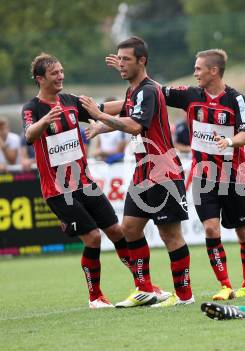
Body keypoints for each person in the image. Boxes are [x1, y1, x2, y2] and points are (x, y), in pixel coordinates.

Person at [21, 53, 155, 309]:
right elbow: (29, 134)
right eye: (54, 73)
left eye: (61, 71)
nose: (60, 76)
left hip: (85, 183)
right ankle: (95, 297)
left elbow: (101, 110)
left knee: (117, 231)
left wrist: (134, 100)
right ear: (40, 79)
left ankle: (143, 286)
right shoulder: (32, 108)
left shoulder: (70, 101)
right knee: (93, 238)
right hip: (59, 190)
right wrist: (43, 122)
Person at [81, 36, 194, 308]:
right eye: (118, 59)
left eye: (126, 59)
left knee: (170, 235)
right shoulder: (134, 91)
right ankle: (144, 289)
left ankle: (185, 295)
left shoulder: (148, 89)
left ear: (142, 61)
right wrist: (101, 126)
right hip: (143, 172)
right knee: (129, 229)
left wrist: (98, 114)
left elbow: (134, 125)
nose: (120, 64)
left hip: (162, 172)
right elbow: (128, 119)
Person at [157, 49, 245, 301]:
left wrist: (229, 141)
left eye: (199, 68)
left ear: (214, 71)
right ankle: (225, 285)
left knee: (243, 232)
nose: (195, 72)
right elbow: (155, 91)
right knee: (211, 230)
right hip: (203, 177)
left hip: (233, 176)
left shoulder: (237, 100)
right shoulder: (190, 96)